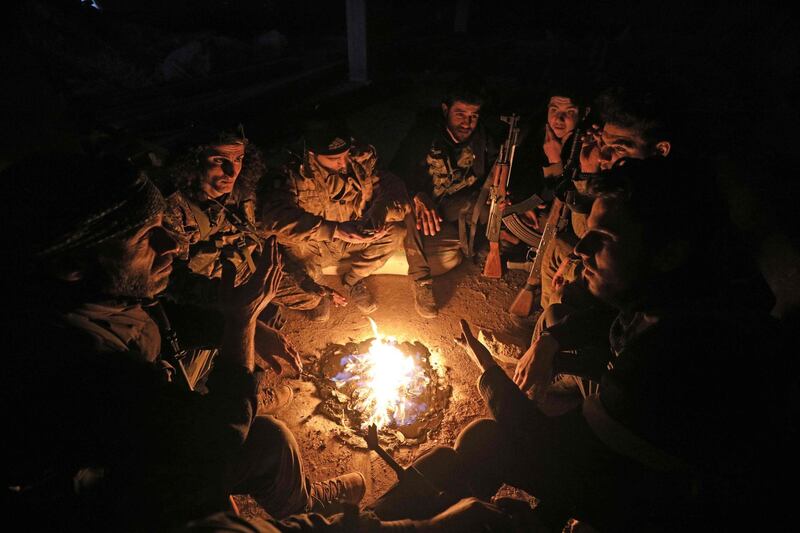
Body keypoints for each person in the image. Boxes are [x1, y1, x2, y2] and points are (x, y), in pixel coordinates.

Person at [372, 157, 783, 531]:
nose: (582, 249)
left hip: (664, 503)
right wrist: (550, 341)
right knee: (553, 324)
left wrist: (488, 372)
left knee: (478, 441)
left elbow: (556, 452)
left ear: (669, 252)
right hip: (641, 452)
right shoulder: (690, 284)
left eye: (604, 238)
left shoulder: (669, 359)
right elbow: (601, 311)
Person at [3, 154, 365, 532]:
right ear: (71, 264)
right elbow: (218, 440)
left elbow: (157, 316)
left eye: (161, 225)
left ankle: (299, 499)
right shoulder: (73, 367)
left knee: (269, 435)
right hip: (118, 500)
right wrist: (241, 322)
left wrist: (234, 327)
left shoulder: (91, 291)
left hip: (143, 437)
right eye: (145, 237)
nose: (172, 244)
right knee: (266, 441)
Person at [259, 120, 410, 316]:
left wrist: (378, 213)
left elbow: (391, 185)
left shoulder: (356, 159)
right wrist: (335, 230)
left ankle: (353, 279)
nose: (344, 163)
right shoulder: (291, 172)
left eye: (345, 155)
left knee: (396, 232)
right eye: (335, 158)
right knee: (318, 308)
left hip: (349, 236)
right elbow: (274, 218)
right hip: (311, 247)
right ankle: (310, 295)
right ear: (312, 154)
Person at [390, 79, 496, 299]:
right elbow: (395, 172)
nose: (467, 123)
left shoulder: (482, 138)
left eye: (473, 116)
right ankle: (421, 281)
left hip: (452, 205)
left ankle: (478, 247)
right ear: (446, 110)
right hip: (422, 203)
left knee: (490, 206)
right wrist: (418, 196)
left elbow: (490, 173)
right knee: (407, 208)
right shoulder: (425, 134)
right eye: (460, 114)